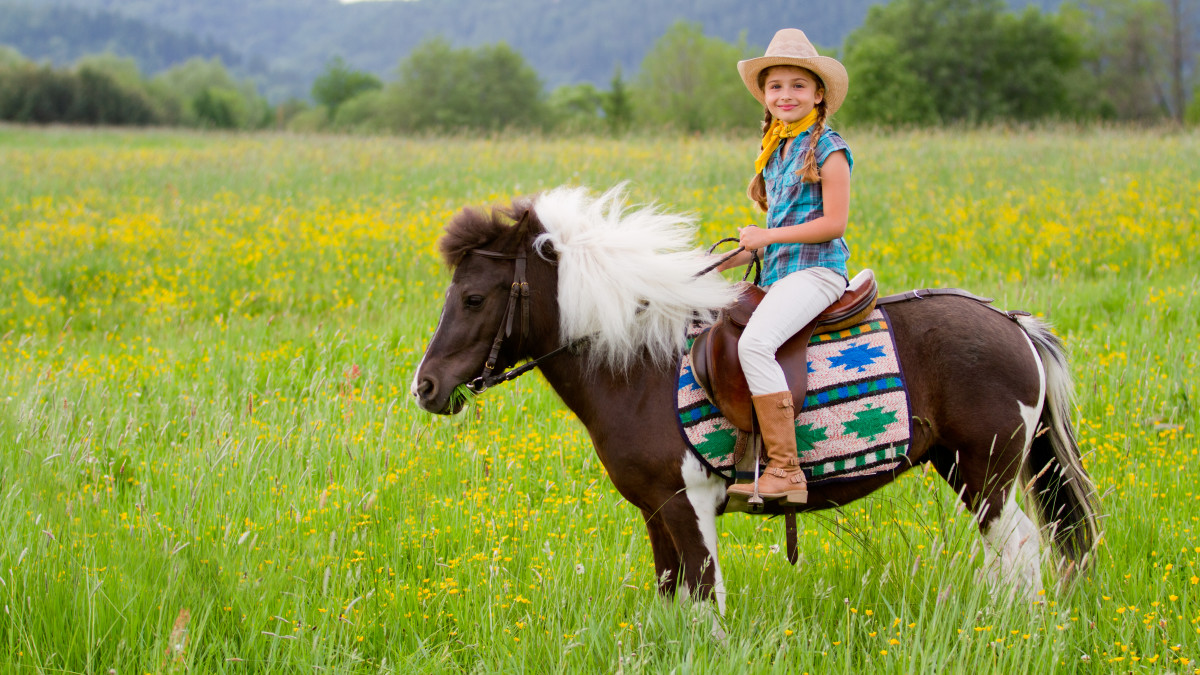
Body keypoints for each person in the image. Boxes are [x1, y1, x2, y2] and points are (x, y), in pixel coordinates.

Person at [718, 28, 853, 503]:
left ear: (819, 94)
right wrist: (733, 256)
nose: (785, 95)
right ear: (765, 95)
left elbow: (833, 223)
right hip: (780, 275)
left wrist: (767, 236)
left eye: (798, 85)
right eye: (776, 86)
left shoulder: (828, 149)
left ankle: (785, 470)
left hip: (817, 273)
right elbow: (775, 230)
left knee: (755, 344)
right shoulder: (776, 151)